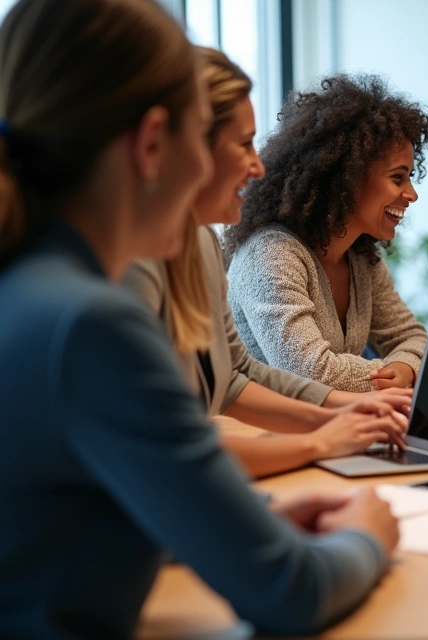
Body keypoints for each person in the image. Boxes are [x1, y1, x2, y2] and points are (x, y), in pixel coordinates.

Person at [0, 1, 398, 637]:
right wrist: (366, 537)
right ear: (155, 142)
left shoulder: (29, 289)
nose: (258, 167)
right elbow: (290, 594)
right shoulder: (91, 325)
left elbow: (59, 522)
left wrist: (242, 523)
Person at [124, 48, 411, 478]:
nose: (258, 167)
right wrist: (323, 437)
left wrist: (346, 408)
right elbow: (166, 445)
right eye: (243, 145)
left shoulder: (200, 244)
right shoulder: (127, 269)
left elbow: (235, 374)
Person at [226, 74, 428, 393]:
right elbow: (309, 372)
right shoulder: (271, 255)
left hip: (329, 431)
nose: (411, 194)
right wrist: (391, 374)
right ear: (349, 177)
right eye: (398, 178)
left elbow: (411, 336)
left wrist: (405, 366)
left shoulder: (361, 257)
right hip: (262, 437)